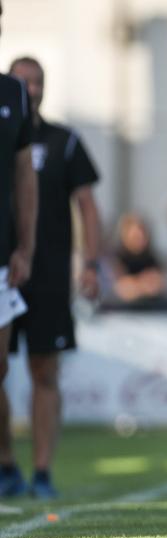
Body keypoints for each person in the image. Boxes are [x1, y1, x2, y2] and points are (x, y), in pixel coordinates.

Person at [0, 57, 102, 499]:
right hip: (4, 270)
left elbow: (88, 206)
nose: (33, 88)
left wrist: (92, 263)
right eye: (25, 81)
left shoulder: (65, 141)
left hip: (46, 273)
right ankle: (6, 464)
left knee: (45, 369)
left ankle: (41, 472)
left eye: (39, 81)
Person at [0, 3, 40, 498]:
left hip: (1, 253)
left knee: (1, 368)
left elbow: (24, 175)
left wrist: (25, 246)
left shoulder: (12, 94)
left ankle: (6, 460)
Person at [112, 213, 165, 302]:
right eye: (135, 237)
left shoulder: (151, 257)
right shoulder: (117, 258)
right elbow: (120, 288)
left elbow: (160, 284)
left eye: (142, 235)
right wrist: (142, 284)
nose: (140, 239)